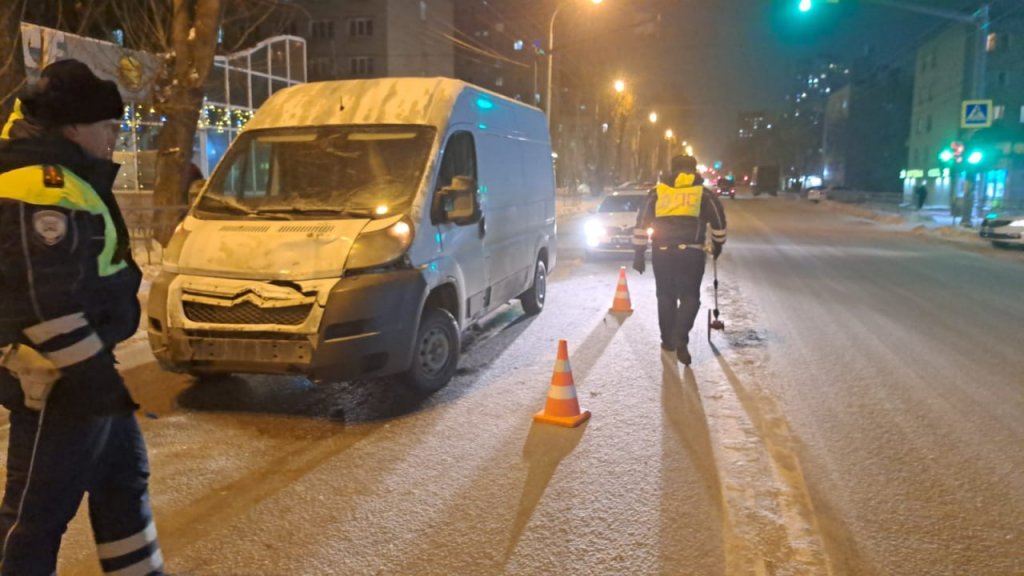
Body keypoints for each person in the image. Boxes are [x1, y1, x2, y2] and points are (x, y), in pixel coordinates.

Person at [0, 60, 164, 575]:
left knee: (122, 484)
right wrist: (91, 379)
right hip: (58, 377)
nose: (115, 137)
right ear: (73, 126)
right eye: (109, 127)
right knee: (35, 516)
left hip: (88, 369)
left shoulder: (66, 176)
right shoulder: (43, 185)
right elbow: (43, 302)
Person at [632, 155, 727, 366]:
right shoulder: (702, 194)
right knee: (690, 296)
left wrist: (639, 252)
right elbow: (718, 221)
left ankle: (668, 341)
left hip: (662, 252)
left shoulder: (658, 193)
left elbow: (641, 222)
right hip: (691, 253)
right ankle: (681, 336)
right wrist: (718, 245)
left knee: (665, 295)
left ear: (671, 170)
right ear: (693, 170)